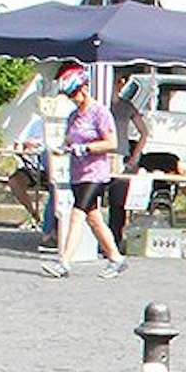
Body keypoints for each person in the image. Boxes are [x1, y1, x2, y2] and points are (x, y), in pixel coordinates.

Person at [41, 65, 128, 279]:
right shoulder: (73, 116)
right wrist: (63, 147)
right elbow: (69, 140)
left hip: (95, 173)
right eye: (70, 95)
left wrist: (87, 148)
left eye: (76, 93)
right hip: (77, 173)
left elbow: (111, 142)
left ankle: (64, 262)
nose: (74, 98)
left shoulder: (100, 112)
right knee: (94, 218)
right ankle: (116, 258)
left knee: (76, 215)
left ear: (85, 87)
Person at [105, 71, 153, 249]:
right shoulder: (102, 105)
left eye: (119, 82)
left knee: (118, 203)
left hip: (120, 157)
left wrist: (135, 156)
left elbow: (144, 132)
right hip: (101, 156)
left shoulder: (126, 106)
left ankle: (115, 240)